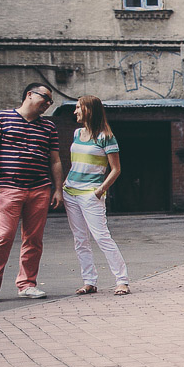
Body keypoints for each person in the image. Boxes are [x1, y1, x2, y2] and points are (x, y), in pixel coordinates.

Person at [0, 82, 63, 302]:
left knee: (33, 239)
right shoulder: (1, 119)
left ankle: (27, 284)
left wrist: (57, 190)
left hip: (40, 188)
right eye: (45, 98)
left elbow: (54, 160)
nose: (48, 104)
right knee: (3, 235)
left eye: (50, 101)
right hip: (9, 187)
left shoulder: (49, 127)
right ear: (29, 95)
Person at [63, 95, 130, 296]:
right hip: (71, 193)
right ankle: (89, 281)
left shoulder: (106, 137)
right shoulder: (77, 133)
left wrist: (100, 191)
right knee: (80, 239)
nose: (75, 112)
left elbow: (116, 169)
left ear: (89, 110)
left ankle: (122, 280)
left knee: (101, 237)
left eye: (78, 108)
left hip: (90, 195)